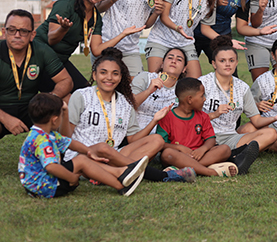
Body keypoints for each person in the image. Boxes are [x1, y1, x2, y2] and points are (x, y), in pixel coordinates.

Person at [65, 48, 196, 183]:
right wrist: (87, 151)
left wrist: (154, 120)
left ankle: (109, 173)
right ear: (94, 75)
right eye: (103, 72)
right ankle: (154, 175)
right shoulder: (81, 96)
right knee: (103, 148)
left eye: (115, 74)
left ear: (121, 77)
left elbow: (133, 139)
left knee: (157, 140)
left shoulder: (125, 103)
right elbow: (67, 136)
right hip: (82, 155)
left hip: (113, 155)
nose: (109, 77)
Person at [19, 93, 149, 197]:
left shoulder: (43, 133)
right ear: (55, 120)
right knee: (81, 161)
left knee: (83, 159)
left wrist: (88, 151)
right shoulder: (43, 140)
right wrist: (71, 178)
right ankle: (121, 186)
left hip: (39, 182)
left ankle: (121, 173)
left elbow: (70, 143)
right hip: (45, 186)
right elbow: (51, 167)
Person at [200, 36, 277, 152]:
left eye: (231, 60)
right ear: (214, 63)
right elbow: (190, 118)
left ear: (236, 62)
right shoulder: (203, 83)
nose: (227, 64)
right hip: (205, 137)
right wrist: (215, 114)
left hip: (230, 137)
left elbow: (256, 120)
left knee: (271, 133)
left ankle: (232, 153)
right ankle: (232, 154)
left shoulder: (242, 87)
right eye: (222, 61)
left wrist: (275, 118)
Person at [157, 78, 260, 177]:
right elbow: (161, 144)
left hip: (200, 155)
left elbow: (211, 139)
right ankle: (211, 171)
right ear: (189, 99)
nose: (204, 99)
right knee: (167, 154)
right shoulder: (167, 117)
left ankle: (181, 169)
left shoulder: (203, 116)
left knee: (225, 149)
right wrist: (180, 148)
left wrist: (202, 149)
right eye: (202, 96)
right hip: (178, 156)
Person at [35, 0, 116, 92]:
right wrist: (63, 29)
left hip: (61, 60)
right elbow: (51, 39)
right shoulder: (66, 4)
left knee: (86, 92)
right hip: (40, 56)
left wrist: (123, 34)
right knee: (66, 93)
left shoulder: (96, 17)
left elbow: (96, 50)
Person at [1, 9, 72, 138]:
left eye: (23, 31)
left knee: (66, 99)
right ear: (3, 32)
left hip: (33, 107)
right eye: (11, 30)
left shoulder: (41, 50)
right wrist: (5, 118)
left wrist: (50, 99)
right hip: (2, 109)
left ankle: (62, 149)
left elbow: (66, 80)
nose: (17, 35)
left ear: (32, 35)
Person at [132, 47, 187, 134]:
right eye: (170, 58)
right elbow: (129, 105)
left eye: (179, 60)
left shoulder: (183, 90)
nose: (174, 61)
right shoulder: (145, 77)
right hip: (137, 133)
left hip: (165, 135)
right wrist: (148, 91)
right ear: (162, 64)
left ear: (184, 69)